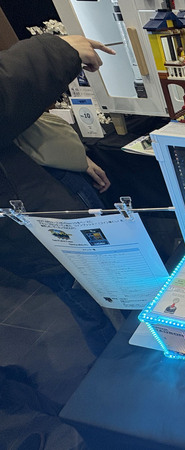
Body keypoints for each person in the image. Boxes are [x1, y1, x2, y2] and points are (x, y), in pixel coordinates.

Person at [1, 33, 117, 356]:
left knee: (107, 290)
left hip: (46, 192)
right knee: (95, 306)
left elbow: (18, 122)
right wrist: (56, 50)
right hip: (37, 221)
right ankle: (120, 371)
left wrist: (71, 157)